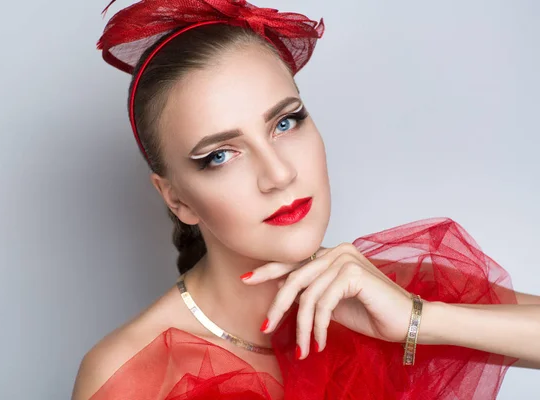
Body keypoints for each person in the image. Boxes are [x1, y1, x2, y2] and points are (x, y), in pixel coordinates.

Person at [72, 0, 540, 398]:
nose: (279, 173)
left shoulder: (394, 295)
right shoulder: (129, 374)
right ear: (177, 200)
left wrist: (421, 321)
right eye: (219, 155)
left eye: (285, 122)